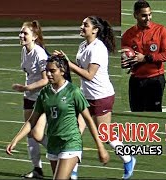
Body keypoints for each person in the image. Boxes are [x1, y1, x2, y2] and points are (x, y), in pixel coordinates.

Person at [54, 16, 136, 179]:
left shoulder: (98, 49)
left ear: (95, 30)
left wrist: (68, 63)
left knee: (104, 134)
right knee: (74, 133)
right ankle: (73, 171)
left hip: (101, 96)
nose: (81, 26)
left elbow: (90, 75)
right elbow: (78, 70)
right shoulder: (83, 45)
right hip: (84, 96)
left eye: (85, 25)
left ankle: (128, 158)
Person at [6, 55, 110, 179]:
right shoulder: (45, 93)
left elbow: (88, 119)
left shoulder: (73, 92)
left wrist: (100, 147)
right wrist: (15, 140)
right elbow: (32, 120)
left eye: (52, 71)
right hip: (53, 144)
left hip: (70, 143)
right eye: (47, 70)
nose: (48, 74)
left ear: (62, 71)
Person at [11, 20, 49, 178]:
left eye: (24, 33)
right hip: (29, 97)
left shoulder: (39, 53)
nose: (21, 35)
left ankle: (63, 151)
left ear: (34, 36)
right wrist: (26, 90)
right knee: (30, 133)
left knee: (38, 134)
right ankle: (37, 169)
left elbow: (46, 80)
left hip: (41, 97)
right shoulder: (24, 51)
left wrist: (26, 87)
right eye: (21, 32)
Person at [121, 0, 166, 112]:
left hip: (155, 79)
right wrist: (125, 62)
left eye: (150, 14)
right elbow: (124, 56)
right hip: (136, 80)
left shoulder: (160, 30)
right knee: (136, 112)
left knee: (154, 112)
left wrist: (145, 58)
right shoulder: (128, 35)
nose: (148, 18)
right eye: (144, 15)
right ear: (135, 15)